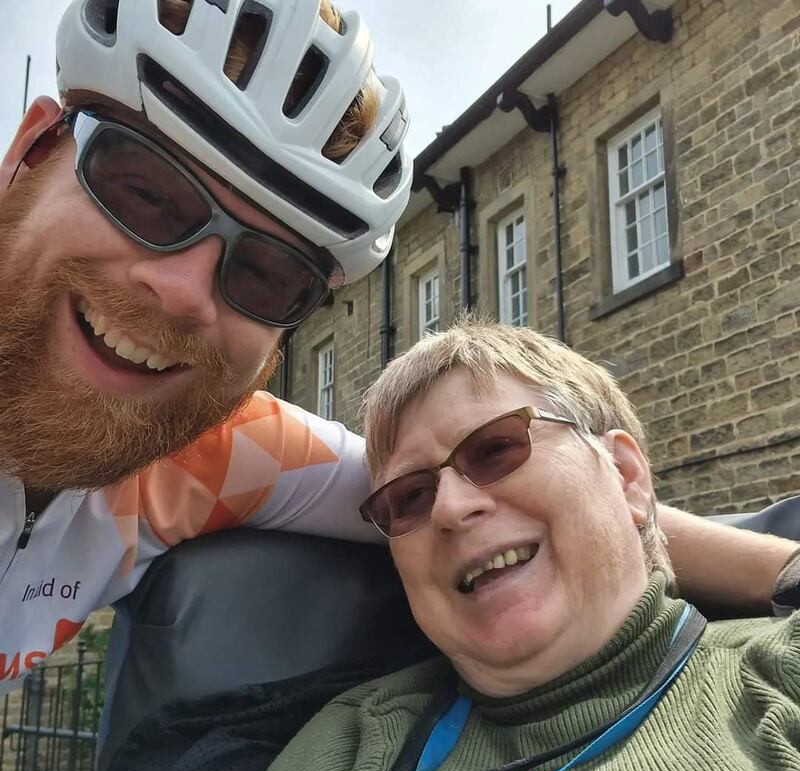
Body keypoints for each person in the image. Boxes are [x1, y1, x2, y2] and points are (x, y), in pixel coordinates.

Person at [0, 0, 795, 696]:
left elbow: (519, 496)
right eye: (143, 189)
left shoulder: (213, 453)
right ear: (28, 154)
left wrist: (778, 568)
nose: (182, 289)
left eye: (271, 276)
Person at [245, 319, 800, 771]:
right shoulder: (355, 739)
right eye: (409, 497)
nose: (451, 508)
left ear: (627, 477)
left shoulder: (776, 671)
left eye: (496, 449)